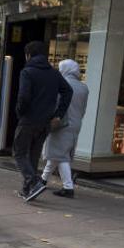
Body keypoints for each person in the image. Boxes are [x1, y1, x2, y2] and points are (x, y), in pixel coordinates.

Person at [14, 41, 73, 202]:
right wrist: (58, 114)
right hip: (45, 121)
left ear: (28, 55)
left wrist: (20, 112)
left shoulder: (27, 72)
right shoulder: (54, 73)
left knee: (19, 152)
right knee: (33, 154)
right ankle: (28, 190)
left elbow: (23, 96)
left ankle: (34, 182)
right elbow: (68, 91)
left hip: (28, 119)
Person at [41, 59, 88, 198]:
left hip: (60, 123)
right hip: (75, 124)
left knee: (60, 155)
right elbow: (83, 109)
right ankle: (43, 179)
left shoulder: (60, 84)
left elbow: (54, 104)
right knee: (58, 153)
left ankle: (68, 187)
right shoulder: (84, 87)